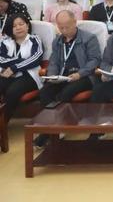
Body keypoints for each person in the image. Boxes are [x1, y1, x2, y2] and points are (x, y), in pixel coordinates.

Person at [35, 10, 102, 146]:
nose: (64, 30)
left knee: (66, 93)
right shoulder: (57, 41)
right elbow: (54, 61)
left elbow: (95, 60)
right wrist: (52, 76)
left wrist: (80, 74)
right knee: (45, 92)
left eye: (67, 27)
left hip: (84, 76)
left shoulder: (89, 38)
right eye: (61, 27)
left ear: (75, 22)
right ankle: (50, 128)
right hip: (63, 76)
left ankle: (53, 130)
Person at [0, 14, 43, 123]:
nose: (18, 27)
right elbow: (1, 59)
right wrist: (20, 62)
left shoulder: (34, 39)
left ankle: (3, 124)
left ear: (27, 25)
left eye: (21, 24)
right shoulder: (5, 42)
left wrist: (14, 68)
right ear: (10, 29)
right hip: (7, 73)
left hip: (29, 75)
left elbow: (36, 58)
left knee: (12, 92)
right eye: (14, 26)